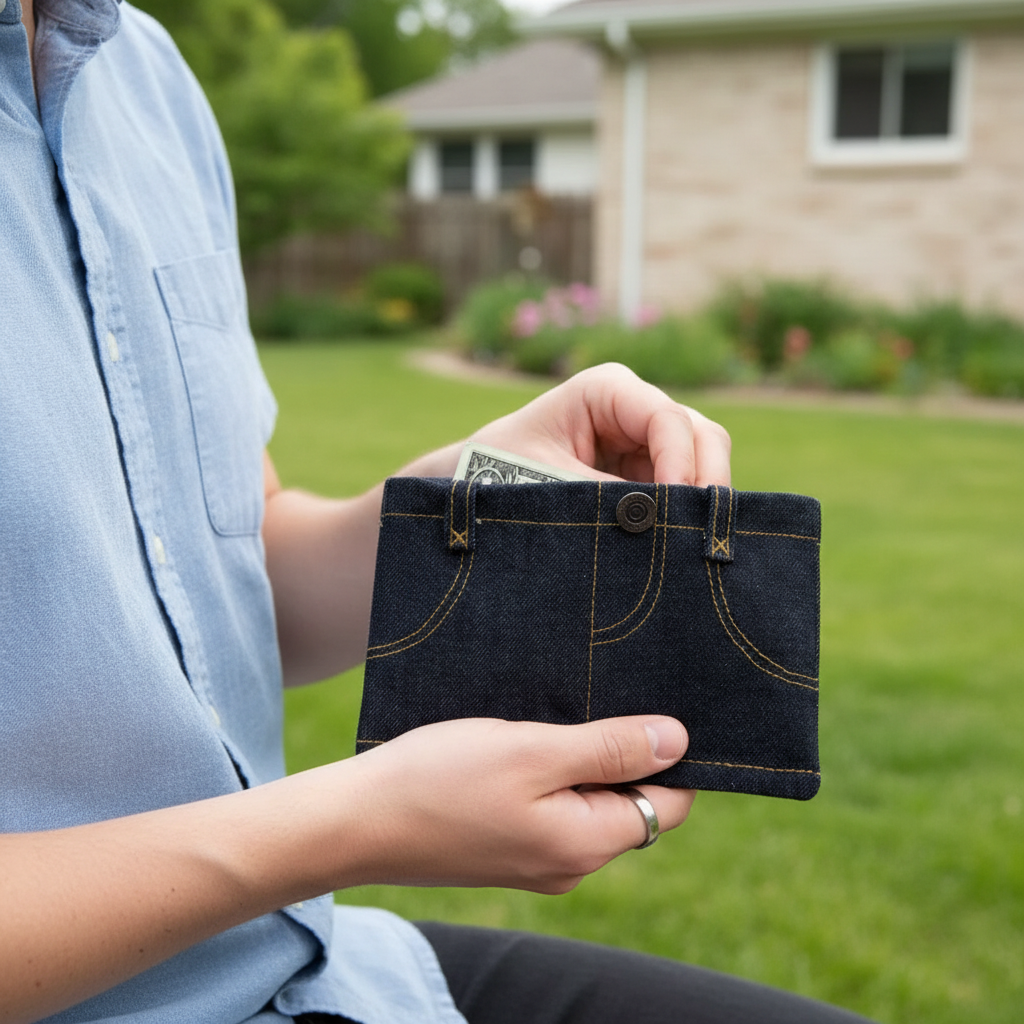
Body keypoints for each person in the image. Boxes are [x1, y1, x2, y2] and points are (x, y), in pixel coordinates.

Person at [0, 2, 876, 1022]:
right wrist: (352, 824)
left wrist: (473, 500)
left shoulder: (143, 78)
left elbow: (230, 580)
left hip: (312, 967)